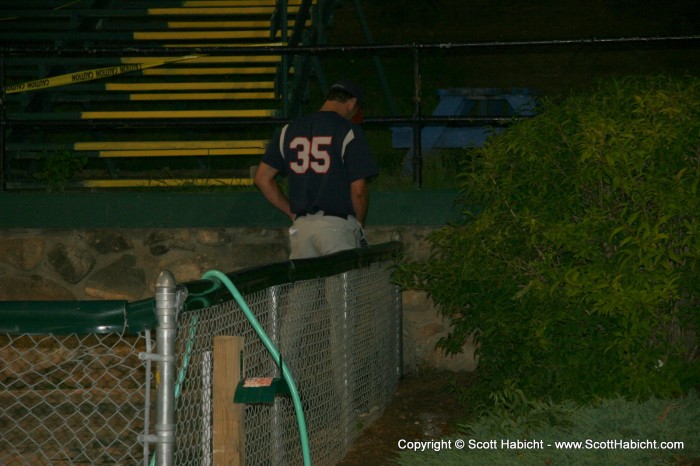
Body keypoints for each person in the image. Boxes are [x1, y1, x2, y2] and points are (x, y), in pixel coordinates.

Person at [254, 79, 377, 259]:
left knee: (307, 286)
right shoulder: (348, 131)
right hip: (337, 226)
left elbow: (261, 178)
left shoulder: (289, 129)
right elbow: (358, 190)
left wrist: (291, 211)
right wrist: (358, 225)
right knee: (341, 286)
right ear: (352, 103)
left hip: (302, 229)